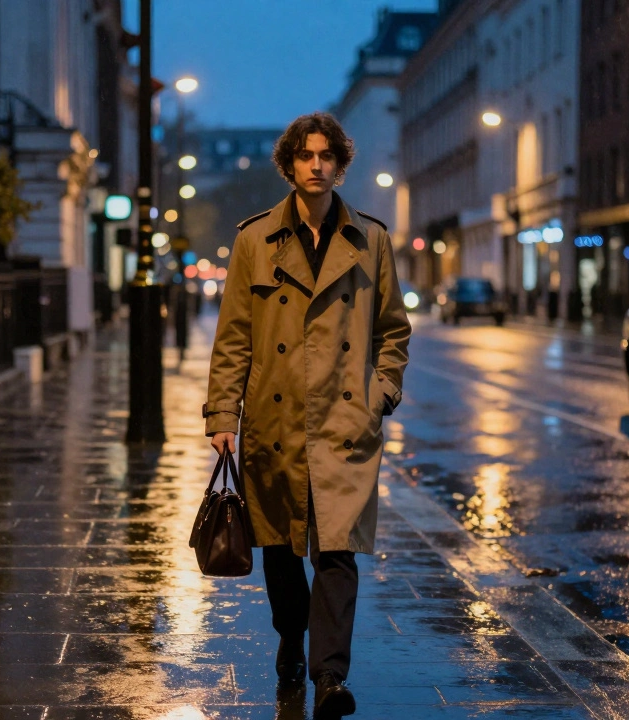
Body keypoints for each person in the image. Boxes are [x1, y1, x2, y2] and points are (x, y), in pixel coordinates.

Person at [202, 112, 411, 718]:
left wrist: (382, 394)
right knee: (282, 549)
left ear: (340, 164)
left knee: (337, 551)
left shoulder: (370, 239)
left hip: (346, 423)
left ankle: (330, 678)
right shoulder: (254, 240)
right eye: (306, 155)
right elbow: (234, 335)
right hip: (276, 420)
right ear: (289, 164)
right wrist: (223, 415)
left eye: (327, 156)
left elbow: (393, 331)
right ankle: (291, 638)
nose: (317, 165)